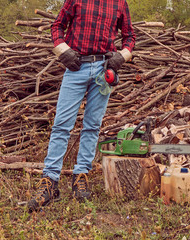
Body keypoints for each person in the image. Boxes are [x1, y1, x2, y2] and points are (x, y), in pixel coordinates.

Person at [27, 0, 136, 212]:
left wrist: (121, 56)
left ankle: (81, 177)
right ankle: (50, 182)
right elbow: (57, 25)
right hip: (76, 67)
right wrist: (63, 51)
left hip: (103, 69)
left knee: (92, 126)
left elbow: (130, 36)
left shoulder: (119, 2)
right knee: (61, 125)